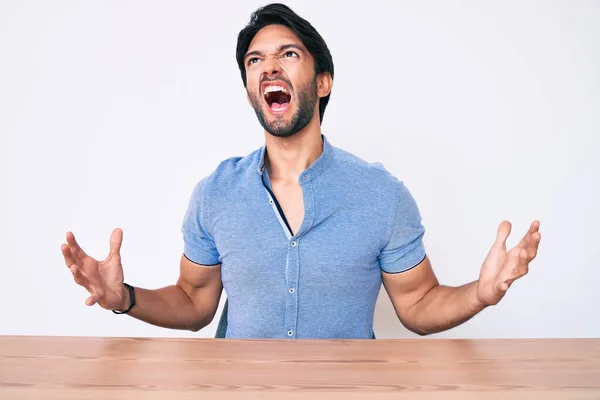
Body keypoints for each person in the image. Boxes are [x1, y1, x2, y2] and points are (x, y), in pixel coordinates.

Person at [61, 3, 541, 339]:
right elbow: (193, 302)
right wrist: (122, 296)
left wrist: (481, 293)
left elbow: (417, 305)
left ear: (323, 81)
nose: (269, 66)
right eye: (255, 60)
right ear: (250, 87)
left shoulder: (381, 194)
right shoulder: (215, 194)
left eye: (287, 54)